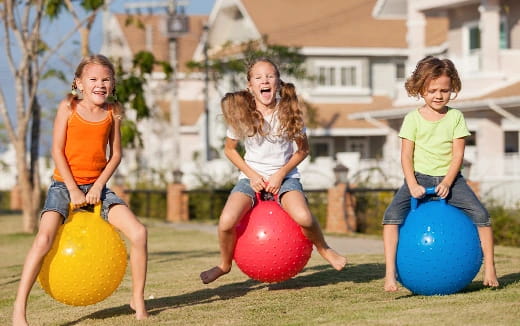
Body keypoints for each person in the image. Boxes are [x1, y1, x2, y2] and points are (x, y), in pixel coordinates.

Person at [12, 55, 149, 325]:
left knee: (139, 232)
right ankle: (19, 309)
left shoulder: (113, 111)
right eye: (93, 79)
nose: (100, 84)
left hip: (98, 187)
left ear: (113, 84)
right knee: (43, 239)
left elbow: (116, 155)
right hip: (64, 185)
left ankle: (138, 299)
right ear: (79, 83)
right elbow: (57, 151)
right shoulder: (68, 106)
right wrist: (74, 190)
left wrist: (98, 186)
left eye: (106, 79)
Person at [200, 57, 347, 284]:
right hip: (250, 179)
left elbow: (303, 150)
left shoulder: (289, 113)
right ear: (250, 85)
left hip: (286, 178)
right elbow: (230, 150)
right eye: (258, 77)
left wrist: (280, 174)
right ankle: (224, 264)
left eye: (270, 76)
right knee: (226, 221)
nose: (264, 81)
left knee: (304, 217)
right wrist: (252, 175)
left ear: (278, 83)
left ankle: (325, 249)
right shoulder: (243, 114)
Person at [382, 56, 499, 292]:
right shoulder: (412, 119)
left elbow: (458, 156)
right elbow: (406, 156)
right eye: (432, 90)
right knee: (390, 217)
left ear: (452, 89)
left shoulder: (455, 117)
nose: (438, 95)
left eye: (444, 90)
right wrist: (412, 184)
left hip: (451, 180)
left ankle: (490, 269)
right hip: (419, 178)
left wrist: (447, 182)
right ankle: (389, 274)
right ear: (420, 89)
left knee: (482, 215)